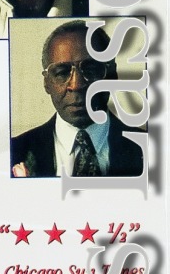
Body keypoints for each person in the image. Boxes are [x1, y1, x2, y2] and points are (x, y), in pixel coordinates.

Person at [11, 21, 144, 177]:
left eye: (91, 69)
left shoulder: (148, 147)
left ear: (113, 76)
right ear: (46, 83)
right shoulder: (14, 151)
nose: (77, 85)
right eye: (62, 72)